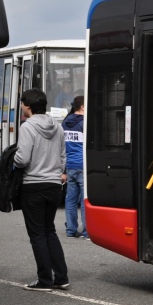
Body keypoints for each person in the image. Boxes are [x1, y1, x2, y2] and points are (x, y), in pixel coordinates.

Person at [14, 88, 69, 292]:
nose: (21, 107)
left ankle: (45, 280)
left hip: (34, 185)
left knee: (37, 234)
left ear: (28, 106)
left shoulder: (27, 127)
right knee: (49, 231)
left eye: (22, 104)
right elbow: (63, 156)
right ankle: (61, 277)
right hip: (54, 185)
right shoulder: (57, 127)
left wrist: (13, 158)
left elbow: (23, 159)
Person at [63, 95, 87, 239]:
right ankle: (87, 231)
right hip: (83, 165)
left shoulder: (65, 122)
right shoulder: (84, 122)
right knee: (84, 200)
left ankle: (71, 230)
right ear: (82, 107)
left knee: (70, 199)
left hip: (70, 166)